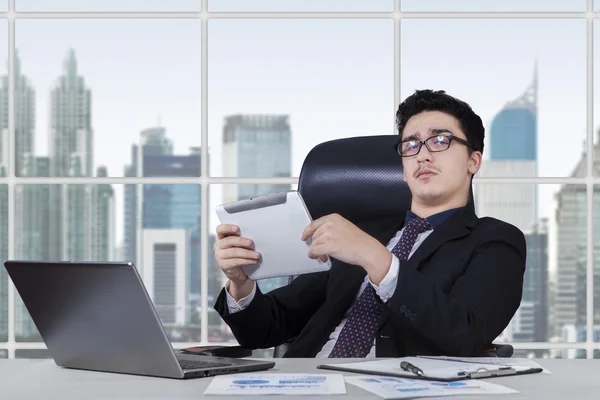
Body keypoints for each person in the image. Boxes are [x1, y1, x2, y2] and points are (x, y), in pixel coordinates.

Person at [213, 89, 526, 358]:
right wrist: (240, 284)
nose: (423, 156)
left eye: (440, 141)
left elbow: (465, 333)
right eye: (411, 145)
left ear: (474, 160)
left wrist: (374, 257)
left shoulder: (495, 240)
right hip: (306, 382)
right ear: (403, 168)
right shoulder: (360, 233)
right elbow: (267, 329)